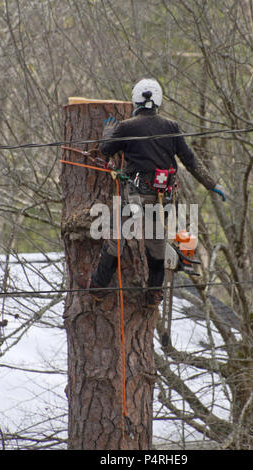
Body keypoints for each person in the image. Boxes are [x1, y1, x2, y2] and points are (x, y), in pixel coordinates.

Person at [75, 78, 226, 306]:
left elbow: (105, 151)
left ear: (136, 100)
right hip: (161, 197)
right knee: (156, 244)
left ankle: (97, 286)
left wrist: (108, 133)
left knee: (117, 238)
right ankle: (154, 294)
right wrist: (211, 184)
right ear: (158, 101)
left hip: (135, 195)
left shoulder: (126, 127)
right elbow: (191, 160)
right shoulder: (172, 127)